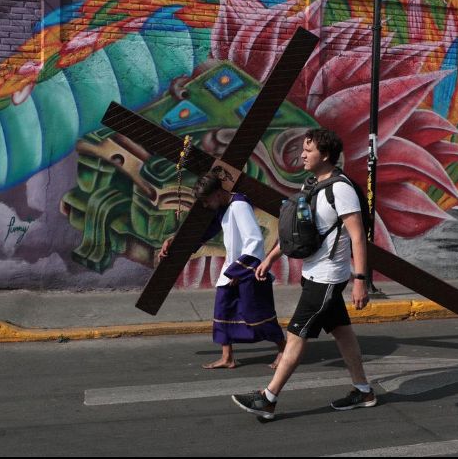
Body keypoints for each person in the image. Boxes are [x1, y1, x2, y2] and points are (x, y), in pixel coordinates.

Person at [231, 128, 374, 420]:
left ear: (326, 154)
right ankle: (363, 390)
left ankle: (268, 398)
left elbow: (358, 237)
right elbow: (299, 228)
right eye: (303, 149)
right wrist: (271, 257)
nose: (302, 155)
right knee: (343, 333)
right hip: (314, 273)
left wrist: (360, 280)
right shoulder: (312, 185)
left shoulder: (341, 190)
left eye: (308, 150)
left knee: (295, 336)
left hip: (328, 278)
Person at [159, 172, 286, 369]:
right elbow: (205, 232)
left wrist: (239, 271)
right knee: (223, 311)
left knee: (258, 314)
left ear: (218, 193)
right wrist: (174, 241)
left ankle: (284, 350)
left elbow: (255, 240)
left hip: (248, 271)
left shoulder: (239, 206)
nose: (205, 205)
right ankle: (227, 357)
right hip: (232, 270)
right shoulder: (224, 208)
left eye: (206, 200)